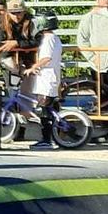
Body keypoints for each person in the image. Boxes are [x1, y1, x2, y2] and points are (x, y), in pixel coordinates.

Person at [22, 10, 65, 150]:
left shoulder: (47, 39)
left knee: (45, 109)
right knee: (49, 108)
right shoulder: (55, 38)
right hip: (51, 76)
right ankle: (53, 136)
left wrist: (33, 67)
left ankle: (46, 139)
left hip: (47, 78)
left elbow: (46, 58)